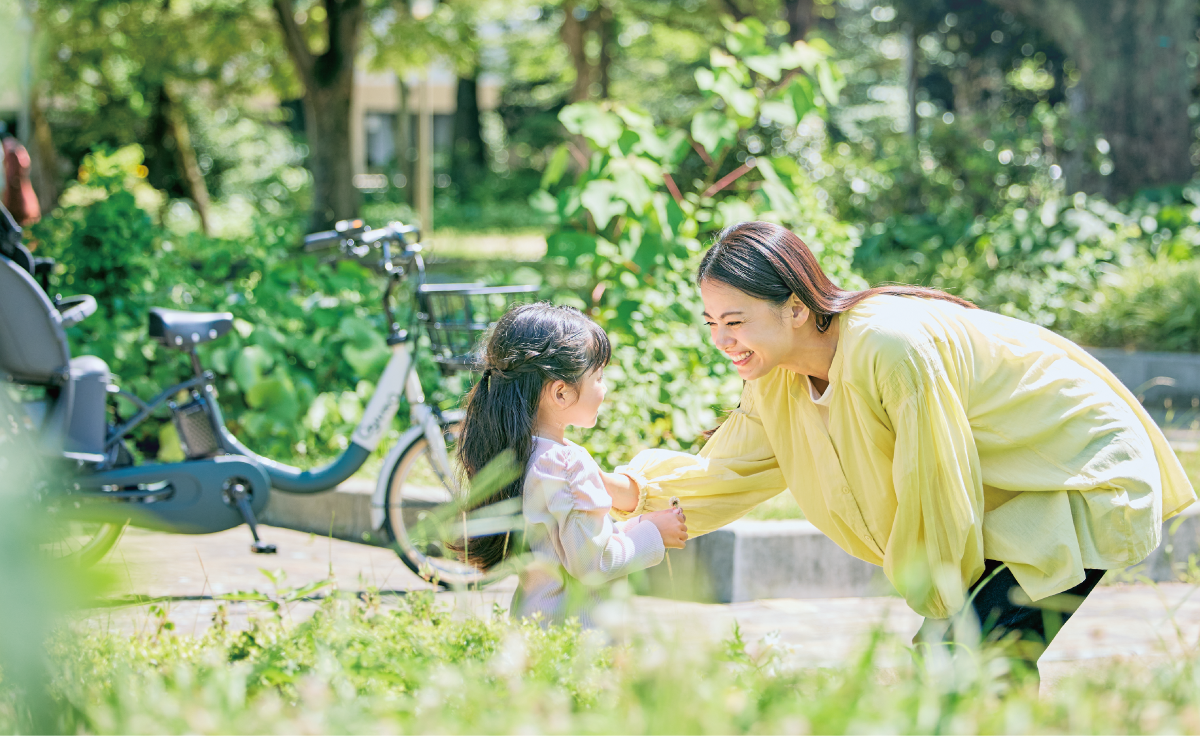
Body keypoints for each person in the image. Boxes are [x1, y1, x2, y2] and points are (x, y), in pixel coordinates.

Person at [602, 220, 1196, 670]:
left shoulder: (889, 348)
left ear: (796, 308)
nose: (721, 341)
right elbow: (729, 469)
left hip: (1077, 477)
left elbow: (935, 481)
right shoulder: (775, 377)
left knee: (963, 664)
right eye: (711, 323)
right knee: (963, 665)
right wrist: (620, 490)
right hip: (1014, 496)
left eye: (735, 322)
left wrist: (939, 596)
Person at [456, 302, 688, 628]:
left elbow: (569, 544)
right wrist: (654, 535)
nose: (604, 389)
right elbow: (594, 563)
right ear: (560, 393)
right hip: (573, 633)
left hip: (535, 622)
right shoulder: (566, 464)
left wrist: (639, 525)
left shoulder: (519, 453)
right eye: (599, 377)